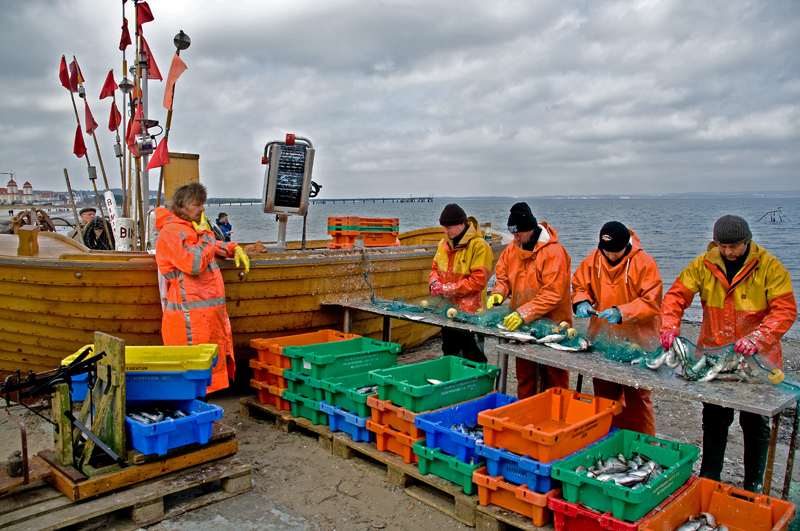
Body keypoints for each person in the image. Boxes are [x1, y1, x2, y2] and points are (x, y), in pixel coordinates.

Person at [661, 214, 797, 493]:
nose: (728, 251)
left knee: (755, 422)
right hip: (714, 354)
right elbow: (676, 296)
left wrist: (759, 338)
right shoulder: (703, 264)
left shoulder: (770, 267)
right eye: (722, 246)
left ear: (747, 242)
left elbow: (785, 310)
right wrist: (669, 326)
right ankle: (710, 479)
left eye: (733, 246)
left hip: (758, 361)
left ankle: (753, 488)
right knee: (714, 418)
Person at [154, 182, 251, 393]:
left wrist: (233, 249)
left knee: (206, 367)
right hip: (188, 316)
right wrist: (207, 234)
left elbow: (209, 247)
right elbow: (195, 263)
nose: (203, 209)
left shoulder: (187, 229)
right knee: (192, 373)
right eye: (198, 204)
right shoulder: (173, 232)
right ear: (183, 206)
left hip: (202, 313)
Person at [572, 221, 662, 436]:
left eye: (616, 252)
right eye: (606, 251)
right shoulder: (595, 259)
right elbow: (580, 285)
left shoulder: (645, 263)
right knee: (604, 396)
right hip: (603, 339)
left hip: (639, 342)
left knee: (638, 398)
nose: (610, 256)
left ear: (626, 246)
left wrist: (622, 312)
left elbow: (652, 302)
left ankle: (644, 446)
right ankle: (609, 439)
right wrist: (582, 301)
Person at [487, 202, 572, 397]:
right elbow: (503, 275)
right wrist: (499, 292)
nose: (515, 238)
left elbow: (554, 292)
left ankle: (557, 422)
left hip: (553, 324)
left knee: (555, 380)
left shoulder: (554, 252)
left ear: (531, 229)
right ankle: (526, 418)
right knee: (525, 376)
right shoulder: (513, 247)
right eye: (513, 234)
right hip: (521, 324)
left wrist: (524, 312)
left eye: (518, 234)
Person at [429, 203, 493, 363]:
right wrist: (434, 282)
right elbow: (434, 269)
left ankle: (479, 385)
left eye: (449, 227)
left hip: (471, 314)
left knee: (472, 355)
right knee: (449, 352)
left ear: (462, 224)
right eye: (444, 227)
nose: (446, 231)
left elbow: (478, 281)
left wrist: (446, 289)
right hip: (448, 311)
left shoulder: (480, 246)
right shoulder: (443, 245)